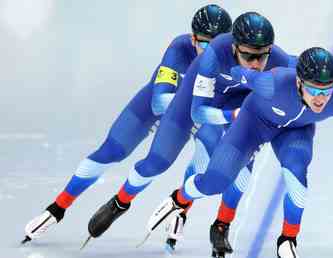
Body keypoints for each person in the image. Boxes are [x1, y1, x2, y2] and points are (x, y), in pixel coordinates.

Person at [87, 11, 296, 256]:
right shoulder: (214, 55)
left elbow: (300, 77)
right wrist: (232, 117)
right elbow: (198, 113)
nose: (256, 64)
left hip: (235, 103)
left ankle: (220, 225)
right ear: (233, 47)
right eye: (248, 55)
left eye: (262, 56)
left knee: (241, 168)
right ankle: (120, 202)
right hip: (197, 102)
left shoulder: (277, 60)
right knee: (157, 162)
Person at [22, 4, 232, 245]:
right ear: (192, 38)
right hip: (164, 104)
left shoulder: (235, 59)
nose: (209, 52)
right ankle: (57, 207)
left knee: (198, 152)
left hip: (192, 113)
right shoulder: (180, 48)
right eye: (204, 43)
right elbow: (158, 102)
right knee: (111, 150)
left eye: (216, 45)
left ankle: (175, 208)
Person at [148, 47, 333, 258]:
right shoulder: (271, 83)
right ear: (299, 82)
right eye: (314, 90)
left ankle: (288, 240)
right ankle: (179, 199)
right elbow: (239, 73)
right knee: (216, 182)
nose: (320, 99)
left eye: (326, 91)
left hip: (295, 131)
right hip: (254, 123)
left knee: (297, 176)